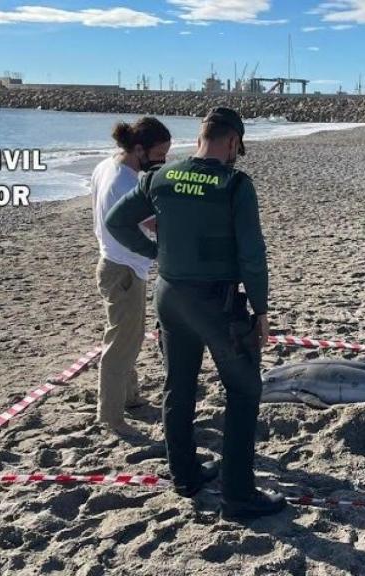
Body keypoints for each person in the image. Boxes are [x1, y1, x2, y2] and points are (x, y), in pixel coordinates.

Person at [106, 107, 285, 520]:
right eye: (239, 147)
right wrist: (261, 309)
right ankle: (238, 496)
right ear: (233, 142)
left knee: (178, 387)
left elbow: (117, 223)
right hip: (216, 302)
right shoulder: (235, 184)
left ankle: (184, 476)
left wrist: (158, 253)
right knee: (243, 391)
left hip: (170, 296)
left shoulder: (159, 177)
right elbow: (252, 254)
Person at [91, 117, 171, 436]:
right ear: (139, 149)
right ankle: (111, 416)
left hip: (113, 264)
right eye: (160, 156)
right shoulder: (126, 183)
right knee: (120, 343)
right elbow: (152, 224)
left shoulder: (106, 166)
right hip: (123, 270)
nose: (163, 163)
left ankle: (129, 398)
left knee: (130, 335)